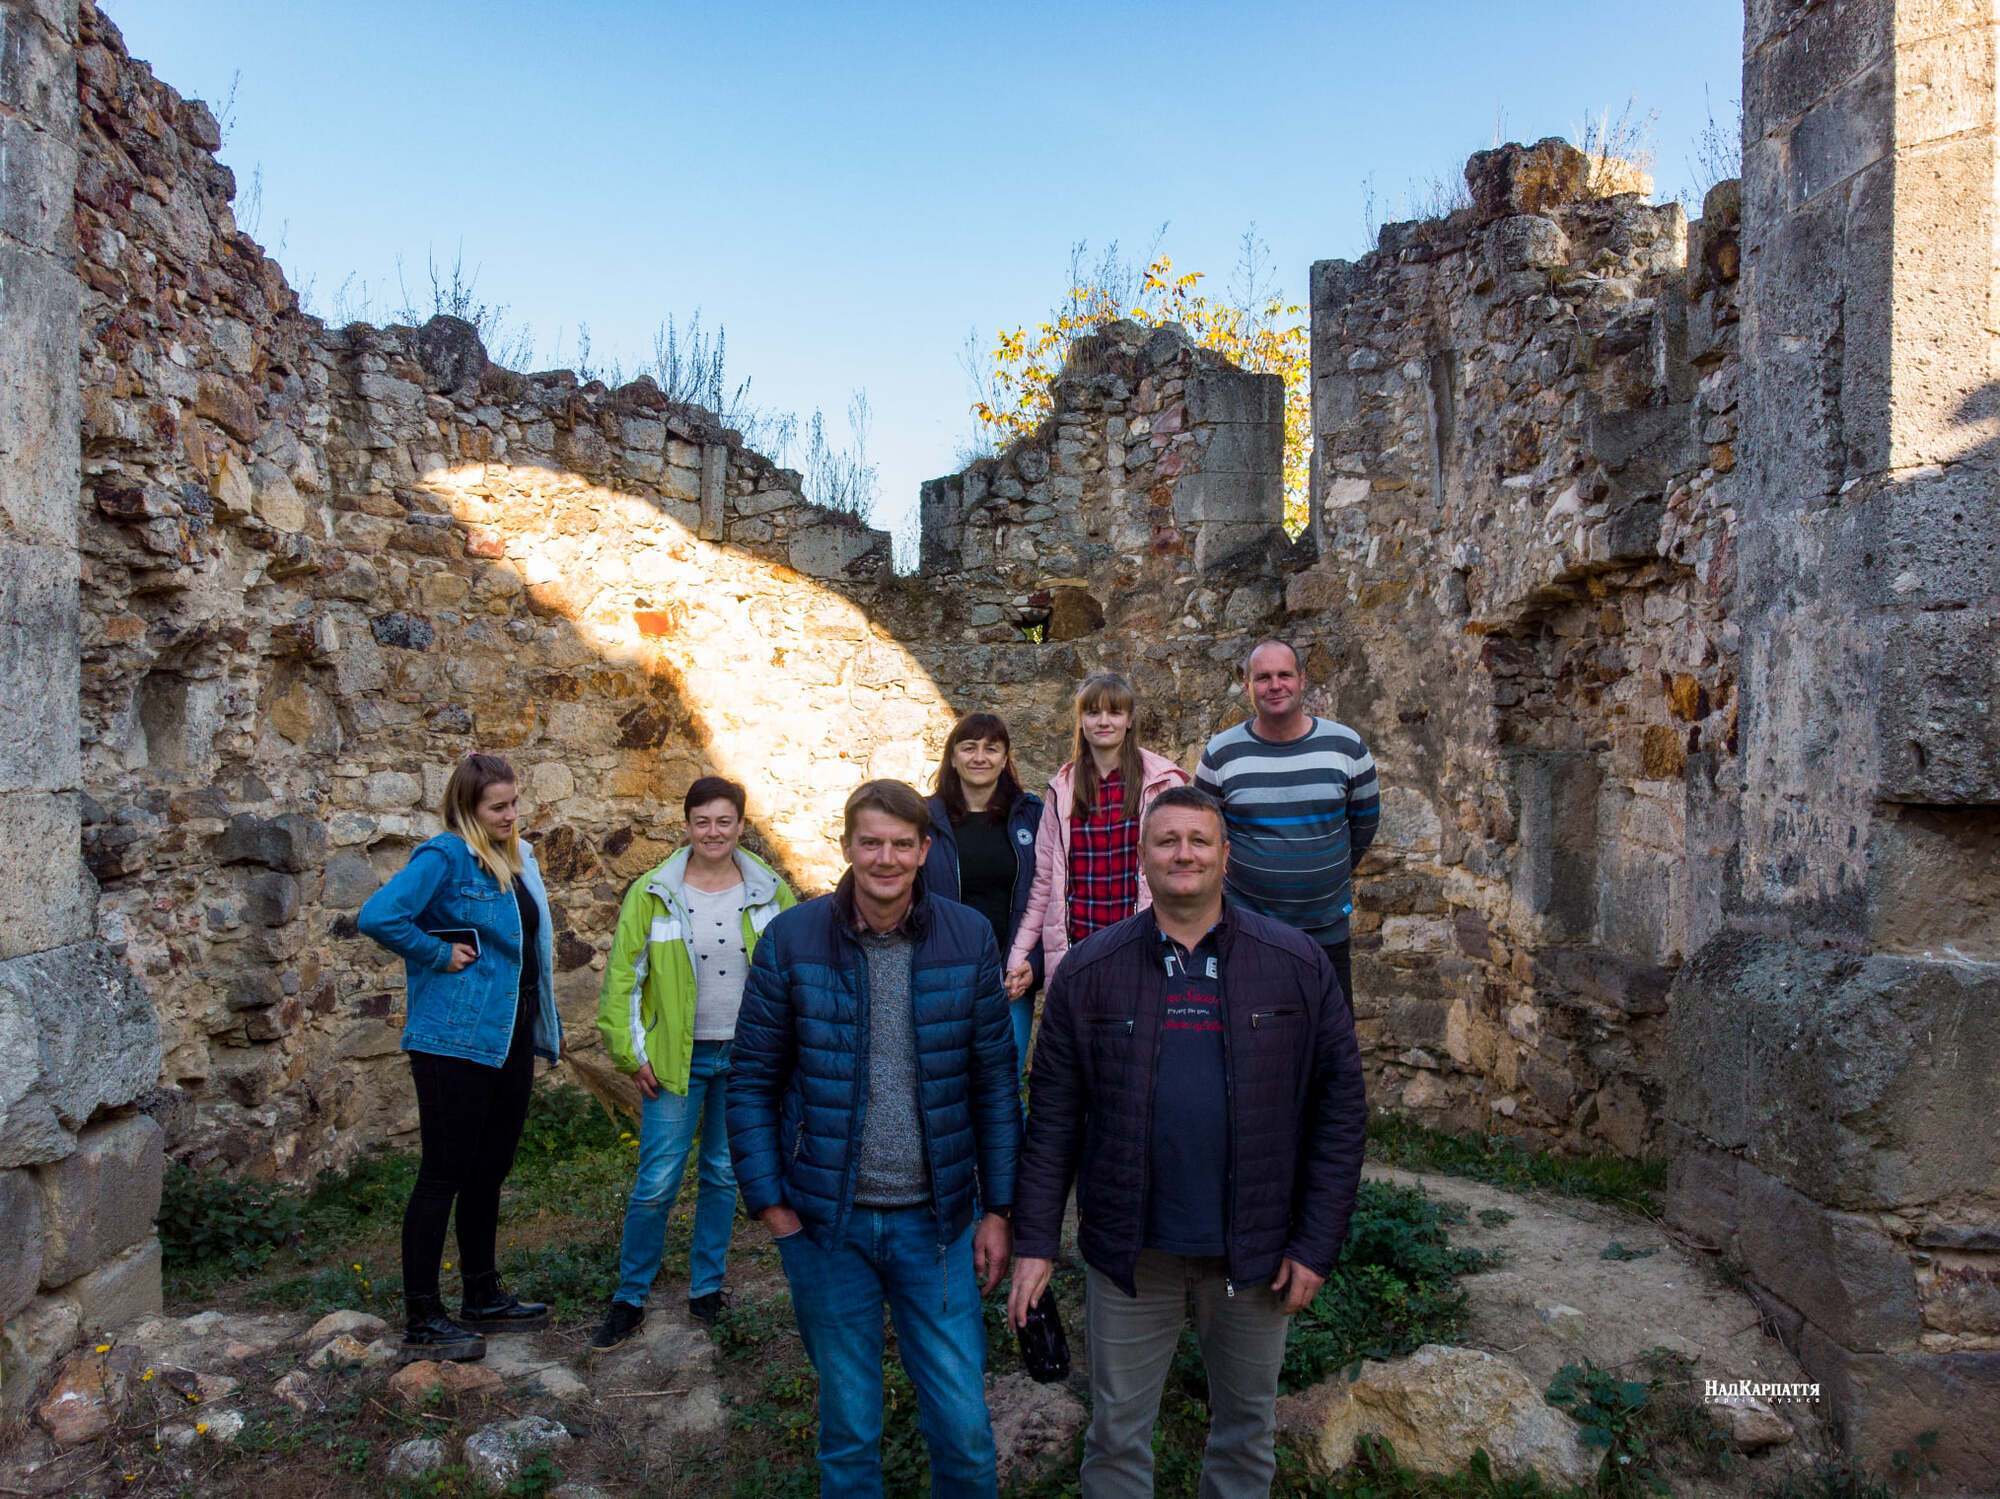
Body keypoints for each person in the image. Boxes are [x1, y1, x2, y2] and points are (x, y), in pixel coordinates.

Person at [1008, 785, 1366, 1499]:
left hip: (1256, 1251)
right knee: (1115, 1437)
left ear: (1226, 855)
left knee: (1244, 1438)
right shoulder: (1088, 971)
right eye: (1167, 840)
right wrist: (1036, 1242)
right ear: (1143, 857)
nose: (1184, 853)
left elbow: (1340, 1114)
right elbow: (1051, 1119)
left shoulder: (1294, 964)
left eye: (1200, 840)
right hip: (1131, 1254)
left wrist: (1315, 1243)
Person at [728, 779, 1020, 1499]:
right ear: (848, 847)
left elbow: (993, 1084)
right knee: (850, 1430)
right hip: (829, 1226)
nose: (885, 858)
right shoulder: (792, 939)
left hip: (941, 1225)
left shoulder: (969, 936)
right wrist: (772, 1203)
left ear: (925, 850)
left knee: (964, 1428)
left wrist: (998, 1209)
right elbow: (752, 1079)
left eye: (900, 843)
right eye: (871, 842)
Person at [358, 752, 563, 1363]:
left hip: (510, 1035)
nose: (511, 814)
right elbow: (378, 916)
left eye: (515, 803)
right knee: (442, 1174)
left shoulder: (513, 858)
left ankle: (482, 1296)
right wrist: (435, 953)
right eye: (497, 806)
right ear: (467, 807)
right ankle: (423, 1316)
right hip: (454, 1038)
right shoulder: (444, 856)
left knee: (489, 1170)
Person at [587, 776, 796, 1353]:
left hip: (747, 1057)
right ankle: (630, 1296)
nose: (713, 832)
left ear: (740, 825)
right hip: (677, 1060)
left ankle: (706, 1288)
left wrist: (785, 1050)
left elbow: (791, 973)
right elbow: (625, 979)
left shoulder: (769, 890)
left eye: (724, 821)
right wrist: (631, 1053)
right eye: (702, 821)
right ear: (686, 825)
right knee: (656, 1182)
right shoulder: (654, 891)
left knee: (725, 1174)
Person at [1194, 639, 1379, 1011]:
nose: (1274, 685)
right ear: (1247, 685)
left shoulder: (1347, 747)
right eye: (1263, 677)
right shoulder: (1220, 754)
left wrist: (1325, 871)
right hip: (1248, 932)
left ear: (1302, 680)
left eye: (1284, 674)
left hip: (1325, 929)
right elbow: (1205, 836)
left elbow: (1363, 824)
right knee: (1252, 1041)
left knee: (1330, 1044)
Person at [1005, 672, 1188, 997]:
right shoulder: (1061, 790)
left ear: (1129, 720)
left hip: (1143, 950)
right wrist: (1019, 954)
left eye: (1114, 712)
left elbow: (1184, 874)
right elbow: (1044, 882)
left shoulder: (1162, 784)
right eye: (1093, 712)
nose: (1104, 721)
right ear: (1081, 720)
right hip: (1079, 954)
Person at [922, 711, 1045, 1073]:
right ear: (953, 757)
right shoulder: (925, 818)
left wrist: (1033, 964)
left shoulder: (1032, 816)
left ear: (1005, 759)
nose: (980, 757)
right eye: (969, 747)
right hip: (943, 979)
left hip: (1010, 980)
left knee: (1003, 1085)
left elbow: (1050, 896)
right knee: (945, 1085)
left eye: (991, 749)